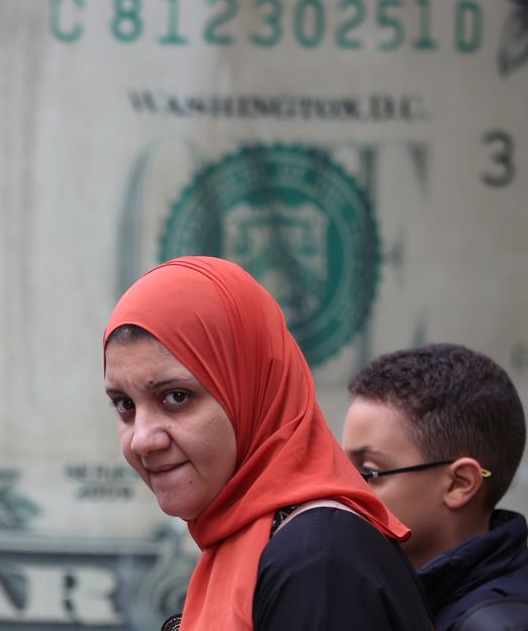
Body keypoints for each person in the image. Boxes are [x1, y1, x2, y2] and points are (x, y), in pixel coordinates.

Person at [103, 256, 432, 630]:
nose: (143, 439)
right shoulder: (250, 543)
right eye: (125, 406)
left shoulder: (318, 560)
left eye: (176, 397)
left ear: (254, 392)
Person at [343, 343, 528, 630]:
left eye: (369, 472)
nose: (344, 490)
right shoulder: (412, 595)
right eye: (342, 469)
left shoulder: (504, 625)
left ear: (459, 483)